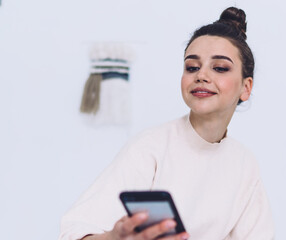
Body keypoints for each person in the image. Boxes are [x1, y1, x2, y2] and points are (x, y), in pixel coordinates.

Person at [59, 7, 275, 240]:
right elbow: (75, 232)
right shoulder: (150, 147)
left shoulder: (244, 164)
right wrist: (114, 238)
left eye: (220, 68)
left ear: (246, 87)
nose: (201, 75)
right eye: (192, 67)